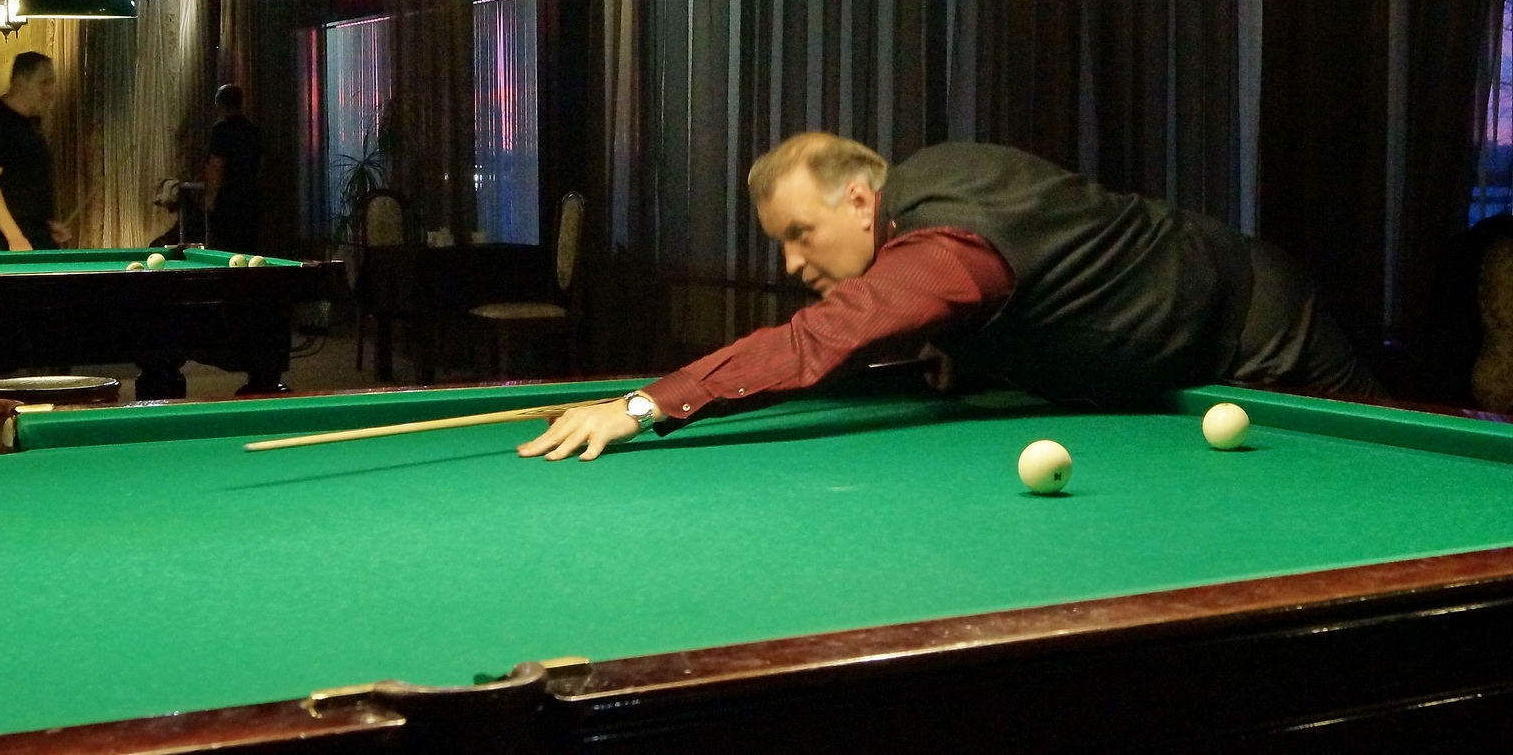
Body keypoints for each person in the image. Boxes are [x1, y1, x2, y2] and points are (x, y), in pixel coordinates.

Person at [520, 133, 1383, 462]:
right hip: (1180, 350)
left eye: (801, 232)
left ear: (862, 200)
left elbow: (825, 338)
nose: (791, 261)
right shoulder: (935, 182)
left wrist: (644, 404)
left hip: (1264, 326)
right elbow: (1020, 295)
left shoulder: (946, 246)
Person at [0, 52, 70, 251]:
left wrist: (44, 225)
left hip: (33, 236)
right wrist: (15, 237)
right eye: (44, 82)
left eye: (52, 83)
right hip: (6, 243)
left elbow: (19, 184)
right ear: (20, 82)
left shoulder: (30, 123)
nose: (51, 91)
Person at [203, 84, 261, 253]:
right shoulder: (252, 130)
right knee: (247, 248)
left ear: (219, 104)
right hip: (250, 197)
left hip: (227, 200)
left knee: (224, 248)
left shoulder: (221, 130)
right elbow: (261, 163)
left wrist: (211, 198)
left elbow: (217, 166)